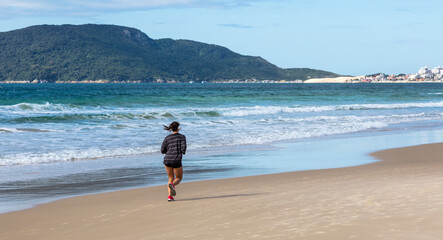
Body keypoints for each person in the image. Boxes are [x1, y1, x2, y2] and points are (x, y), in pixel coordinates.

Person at [161, 121, 187, 201]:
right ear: (179, 128)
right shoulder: (182, 137)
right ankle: (172, 185)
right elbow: (183, 149)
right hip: (176, 159)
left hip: (167, 159)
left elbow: (162, 150)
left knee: (170, 178)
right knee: (178, 178)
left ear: (171, 128)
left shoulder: (167, 137)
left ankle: (170, 196)